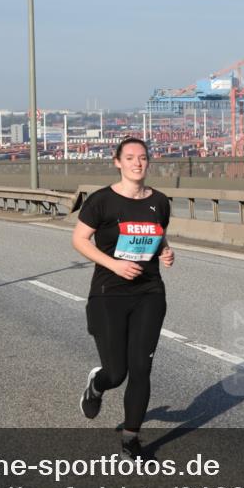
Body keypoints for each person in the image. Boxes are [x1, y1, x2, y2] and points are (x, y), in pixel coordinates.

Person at [72, 137, 174, 460]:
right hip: (109, 293)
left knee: (141, 368)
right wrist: (114, 264)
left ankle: (131, 439)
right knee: (117, 372)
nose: (137, 163)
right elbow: (79, 239)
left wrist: (167, 251)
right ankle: (97, 383)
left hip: (149, 292)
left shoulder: (160, 201)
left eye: (142, 157)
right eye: (129, 157)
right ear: (118, 162)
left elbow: (158, 235)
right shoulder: (101, 201)